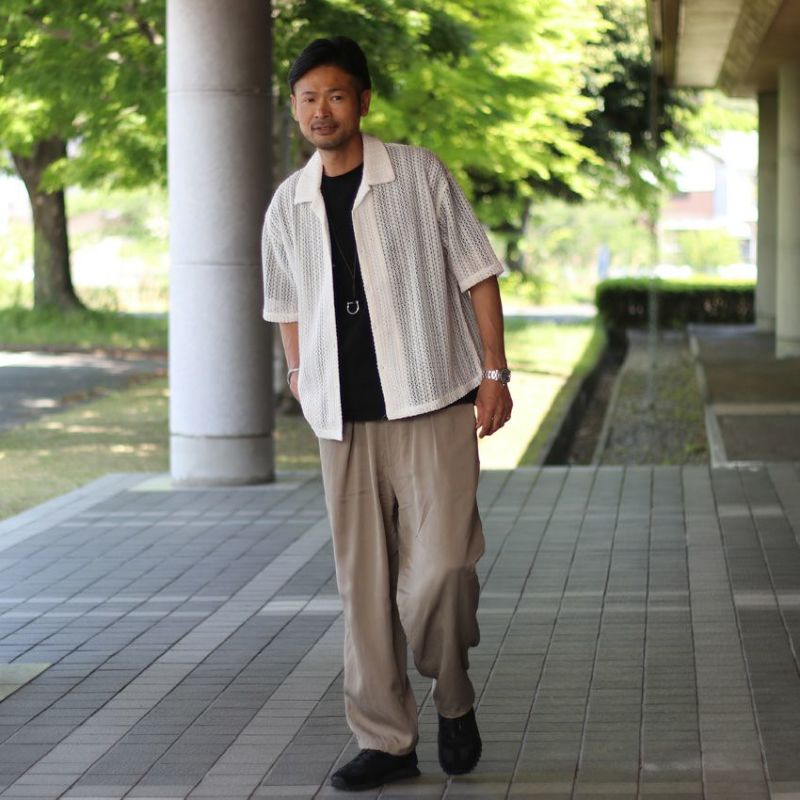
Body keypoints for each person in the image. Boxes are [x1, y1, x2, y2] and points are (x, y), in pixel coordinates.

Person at [261, 36, 513, 792]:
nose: (321, 110)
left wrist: (494, 372)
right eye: (308, 98)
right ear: (295, 108)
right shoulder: (287, 204)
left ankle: (454, 693)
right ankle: (387, 740)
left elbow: (478, 272)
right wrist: (300, 373)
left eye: (336, 95)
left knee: (443, 571)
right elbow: (284, 302)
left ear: (363, 101)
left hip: (432, 401)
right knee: (364, 590)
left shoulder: (418, 174)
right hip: (343, 421)